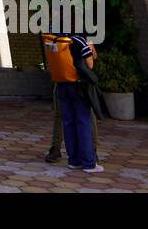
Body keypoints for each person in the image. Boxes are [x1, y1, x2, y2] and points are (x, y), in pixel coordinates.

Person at [43, 32, 103, 173]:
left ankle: (73, 160)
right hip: (78, 85)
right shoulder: (79, 40)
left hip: (61, 84)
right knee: (83, 122)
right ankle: (89, 162)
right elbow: (90, 63)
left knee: (68, 121)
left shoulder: (52, 39)